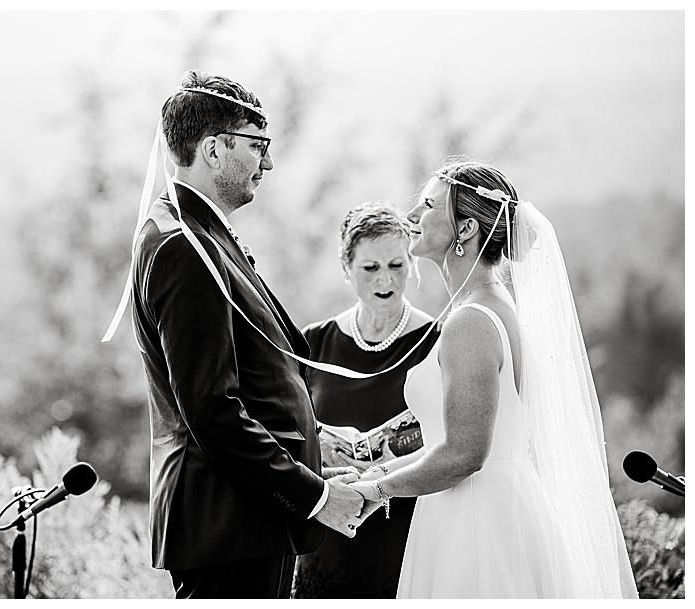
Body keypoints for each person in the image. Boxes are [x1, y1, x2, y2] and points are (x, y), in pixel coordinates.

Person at [347, 159, 637, 598]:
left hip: (477, 527)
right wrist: (372, 472)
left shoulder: (472, 322)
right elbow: (451, 442)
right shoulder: (486, 306)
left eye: (427, 206)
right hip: (479, 508)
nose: (411, 217)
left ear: (465, 230)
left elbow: (464, 455)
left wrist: (376, 491)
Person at [126, 71, 366, 599]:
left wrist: (313, 438)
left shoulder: (197, 230)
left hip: (245, 521)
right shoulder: (182, 247)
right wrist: (316, 497)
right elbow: (212, 408)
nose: (269, 163)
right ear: (214, 149)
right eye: (258, 146)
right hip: (227, 524)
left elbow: (251, 368)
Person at [293, 202, 437, 598]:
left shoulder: (438, 343)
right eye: (370, 268)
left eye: (396, 264)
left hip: (407, 532)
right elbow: (283, 436)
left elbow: (456, 442)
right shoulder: (313, 342)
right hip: (329, 531)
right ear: (346, 267)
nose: (385, 279)